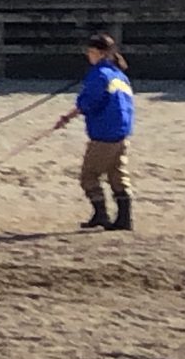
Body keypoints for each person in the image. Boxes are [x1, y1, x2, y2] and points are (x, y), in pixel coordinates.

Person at [52, 33, 135, 231]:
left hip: (104, 133)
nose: (88, 55)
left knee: (89, 175)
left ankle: (101, 214)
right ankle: (124, 218)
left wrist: (67, 118)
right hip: (122, 132)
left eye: (90, 51)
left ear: (100, 53)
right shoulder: (119, 75)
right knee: (117, 173)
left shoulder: (99, 75)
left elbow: (89, 102)